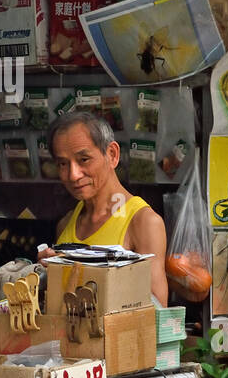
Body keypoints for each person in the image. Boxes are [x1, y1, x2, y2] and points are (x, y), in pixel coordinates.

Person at [41, 111, 168, 306]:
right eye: (63, 164)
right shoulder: (66, 224)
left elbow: (156, 313)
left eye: (84, 160)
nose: (73, 175)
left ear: (112, 155)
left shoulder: (143, 222)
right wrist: (46, 275)